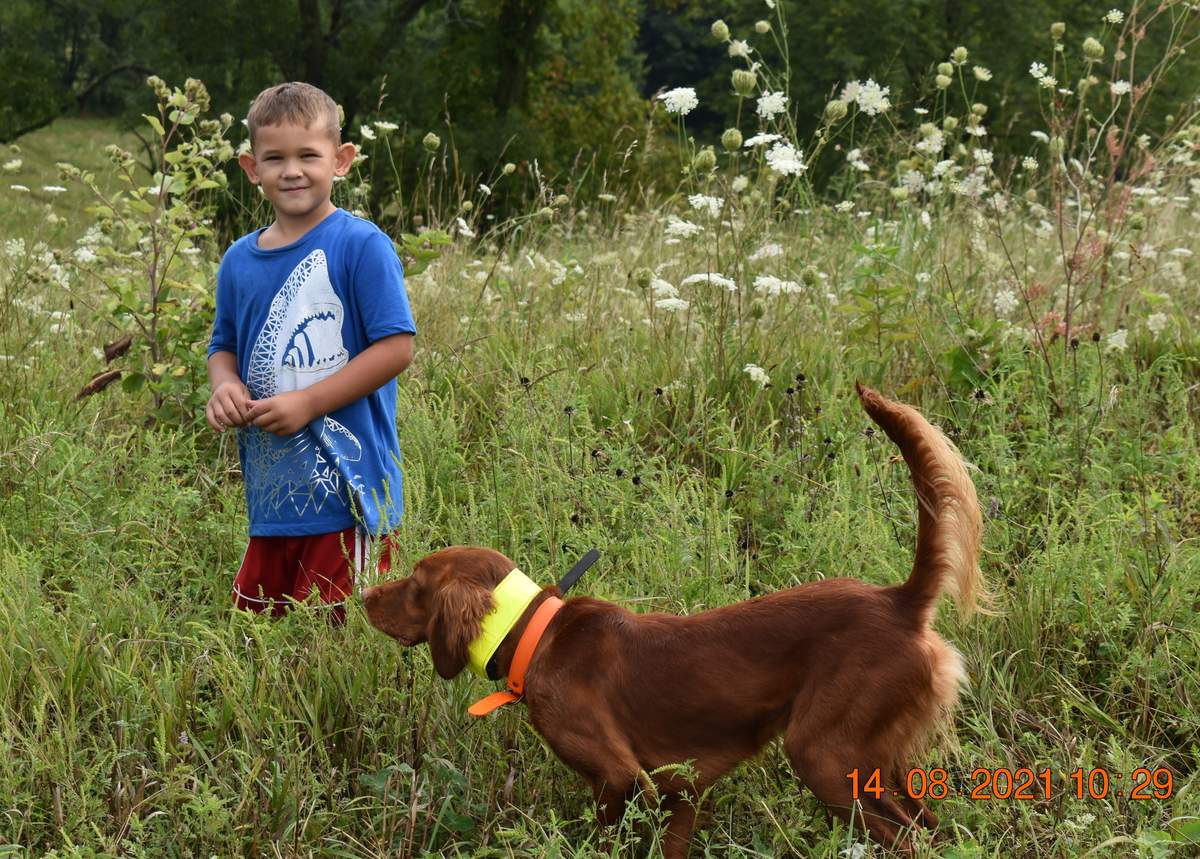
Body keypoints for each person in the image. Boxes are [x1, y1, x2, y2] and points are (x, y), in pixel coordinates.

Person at [206, 82, 415, 623]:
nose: (291, 170)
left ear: (340, 161)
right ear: (252, 168)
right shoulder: (238, 260)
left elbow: (397, 347)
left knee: (344, 637)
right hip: (273, 502)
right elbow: (222, 347)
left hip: (350, 497)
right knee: (260, 634)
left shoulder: (360, 245)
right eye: (275, 158)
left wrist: (309, 402)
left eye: (308, 156)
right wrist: (224, 386)